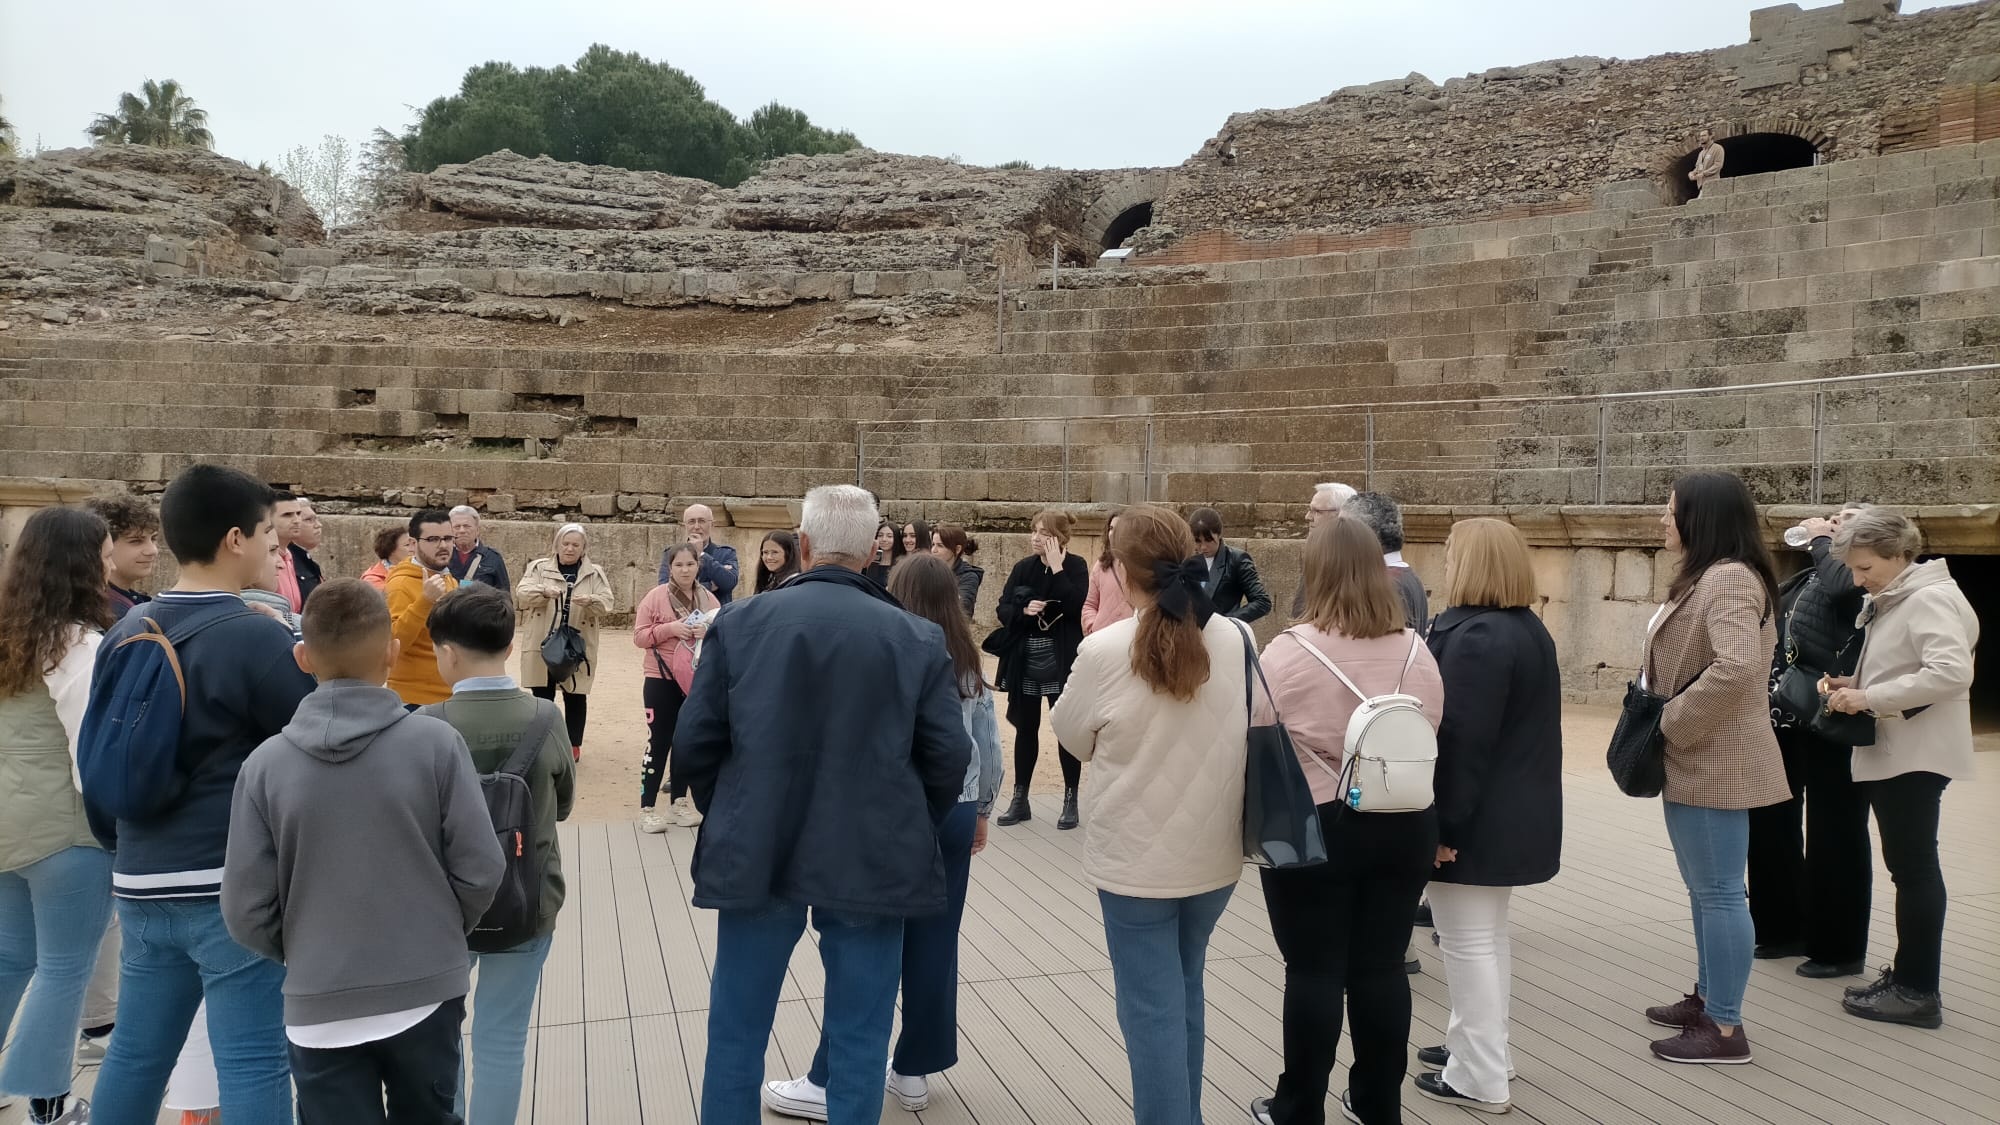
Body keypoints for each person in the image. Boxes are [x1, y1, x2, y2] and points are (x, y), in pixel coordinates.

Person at [673, 484, 967, 1125]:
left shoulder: (741, 624)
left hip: (759, 842)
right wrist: (907, 815)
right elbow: (949, 756)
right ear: (871, 552)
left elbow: (695, 741)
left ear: (802, 546)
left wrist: (731, 806)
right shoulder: (916, 638)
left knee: (737, 1028)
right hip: (871, 849)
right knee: (860, 1036)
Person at [81, 464, 317, 1125]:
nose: (276, 549)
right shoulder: (254, 636)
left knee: (135, 1053)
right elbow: (313, 748)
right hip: (226, 885)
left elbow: (94, 757)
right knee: (252, 1059)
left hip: (140, 878)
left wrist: (123, 847)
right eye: (270, 534)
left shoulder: (126, 630)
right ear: (235, 538)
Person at [221, 578, 504, 1125]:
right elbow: (481, 868)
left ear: (302, 657)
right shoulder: (436, 744)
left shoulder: (264, 766)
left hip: (319, 1001)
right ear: (393, 652)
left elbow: (244, 909)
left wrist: (306, 948)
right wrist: (439, 931)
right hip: (426, 986)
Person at [763, 554, 1004, 1120]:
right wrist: (982, 810)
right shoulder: (966, 664)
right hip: (959, 810)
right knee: (938, 943)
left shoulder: (892, 648)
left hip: (901, 810)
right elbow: (987, 747)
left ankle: (830, 1075)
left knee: (868, 947)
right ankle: (914, 1069)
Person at [1049, 505, 1250, 1125]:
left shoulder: (1104, 649)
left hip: (1136, 859)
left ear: (1124, 573)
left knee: (1151, 1007)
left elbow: (1072, 735)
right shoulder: (1237, 636)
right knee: (1185, 990)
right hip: (1214, 851)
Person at [1244, 514, 1444, 1125]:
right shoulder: (1417, 648)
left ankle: (1300, 1104)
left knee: (1313, 970)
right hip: (1405, 820)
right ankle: (1379, 1101)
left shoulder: (1288, 651)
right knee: (1382, 966)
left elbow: (1255, 731)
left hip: (1320, 821)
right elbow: (1432, 724)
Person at [1638, 471, 1788, 1065]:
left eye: (1671, 511)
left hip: (1714, 755)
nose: (1663, 520)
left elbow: (1736, 669)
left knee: (1721, 893)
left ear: (1700, 518)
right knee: (1709, 892)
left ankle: (1724, 1028)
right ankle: (1710, 998)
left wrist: (1667, 724)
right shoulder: (1716, 575)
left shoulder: (1726, 579)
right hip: (1702, 755)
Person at [1413, 518, 1562, 1114]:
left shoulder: (1476, 638)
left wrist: (1441, 828)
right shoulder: (1525, 629)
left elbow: (1461, 744)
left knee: (1468, 943)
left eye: (1451, 553)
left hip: (1476, 819)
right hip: (1512, 813)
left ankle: (1479, 1075)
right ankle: (1481, 1050)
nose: (1445, 562)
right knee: (1485, 941)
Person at [422, 583, 576, 1120]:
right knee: (503, 1039)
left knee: (444, 1036)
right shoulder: (544, 718)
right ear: (510, 647)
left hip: (446, 910)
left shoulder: (428, 724)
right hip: (527, 900)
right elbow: (562, 805)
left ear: (445, 650)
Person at [1822, 510, 1979, 1029]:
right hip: (1906, 749)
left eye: (1864, 567)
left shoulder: (1927, 597)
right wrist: (1857, 682)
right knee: (1910, 870)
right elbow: (1914, 664)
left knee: (1913, 872)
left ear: (1896, 554)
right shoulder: (1912, 593)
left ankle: (1917, 991)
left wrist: (1870, 696)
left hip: (1914, 754)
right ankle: (1910, 977)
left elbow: (1952, 672)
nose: (1857, 578)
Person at [0, 506, 117, 1125]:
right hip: (66, 833)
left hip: (8, 823)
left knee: (10, 959)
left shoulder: (9, 638)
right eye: (101, 553)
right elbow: (89, 753)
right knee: (64, 968)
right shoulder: (79, 645)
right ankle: (48, 1100)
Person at [1752, 505, 1873, 977]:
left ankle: (1838, 948)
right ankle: (1782, 929)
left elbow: (1846, 588)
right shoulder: (1812, 575)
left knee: (1834, 830)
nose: (1834, 521)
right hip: (1786, 715)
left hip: (1835, 718)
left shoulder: (1856, 577)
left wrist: (1825, 541)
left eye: (1849, 519)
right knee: (1771, 822)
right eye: (1834, 516)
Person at [991, 510, 1091, 831]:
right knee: (1025, 727)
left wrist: (1058, 568)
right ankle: (1020, 798)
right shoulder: (1023, 568)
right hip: (1027, 657)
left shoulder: (1076, 566)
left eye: (1042, 532)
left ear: (1059, 538)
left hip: (1062, 658)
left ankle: (1070, 798)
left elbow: (1076, 606)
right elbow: (1002, 608)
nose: (1035, 537)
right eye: (1033, 530)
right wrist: (1023, 609)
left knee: (1064, 728)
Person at [634, 545, 720, 833]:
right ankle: (647, 807)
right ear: (670, 568)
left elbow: (721, 635)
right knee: (659, 741)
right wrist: (671, 629)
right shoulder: (655, 597)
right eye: (679, 565)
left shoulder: (708, 599)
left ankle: (679, 802)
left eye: (690, 564)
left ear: (699, 566)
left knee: (685, 741)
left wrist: (706, 632)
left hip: (694, 678)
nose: (685, 570)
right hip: (660, 678)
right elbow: (639, 637)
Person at [517, 523, 615, 759]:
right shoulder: (539, 568)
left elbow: (607, 603)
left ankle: (573, 746)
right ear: (557, 545)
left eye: (575, 545)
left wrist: (591, 600)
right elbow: (522, 592)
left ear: (583, 549)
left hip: (575, 643)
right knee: (542, 693)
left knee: (575, 693)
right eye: (566, 543)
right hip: (544, 639)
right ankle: (543, 742)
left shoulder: (594, 572)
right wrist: (543, 591)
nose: (570, 549)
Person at [386, 509, 462, 708]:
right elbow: (395, 642)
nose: (443, 545)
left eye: (447, 538)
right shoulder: (401, 584)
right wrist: (424, 601)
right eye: (433, 539)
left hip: (448, 695)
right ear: (413, 544)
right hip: (415, 700)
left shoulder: (447, 577)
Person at [1345, 492, 1428, 630]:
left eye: (1343, 528)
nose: (1336, 535)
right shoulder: (1407, 576)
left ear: (1366, 533)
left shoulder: (1383, 583)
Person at [1189, 507, 1272, 623]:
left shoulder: (1237, 560)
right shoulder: (1186, 559)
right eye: (1198, 541)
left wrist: (1227, 622)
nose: (1203, 547)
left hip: (1221, 634)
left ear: (1219, 535)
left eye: (1208, 540)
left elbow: (1262, 602)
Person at [85, 494, 161, 615]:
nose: (153, 550)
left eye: (153, 538)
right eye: (136, 541)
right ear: (105, 544)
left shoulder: (131, 601)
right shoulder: (101, 612)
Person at [1290, 482, 1357, 619]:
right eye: (1310, 510)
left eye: (1317, 511)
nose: (1308, 517)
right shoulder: (1320, 553)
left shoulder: (1355, 559)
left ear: (1342, 514)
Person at [658, 503, 740, 605]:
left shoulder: (726, 553)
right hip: (682, 617)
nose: (696, 527)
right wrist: (709, 586)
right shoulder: (671, 553)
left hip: (716, 617)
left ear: (712, 525)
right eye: (691, 522)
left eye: (702, 521)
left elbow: (729, 582)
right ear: (685, 526)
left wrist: (701, 554)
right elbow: (666, 589)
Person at [1083, 511, 1132, 635]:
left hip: (1131, 637)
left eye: (1120, 529)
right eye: (1111, 528)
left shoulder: (1143, 565)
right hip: (1102, 636)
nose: (1113, 533)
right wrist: (1092, 626)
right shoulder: (1101, 565)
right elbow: (1089, 604)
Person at [448, 505, 511, 592]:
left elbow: (505, 595)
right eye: (457, 527)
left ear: (477, 530)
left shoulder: (493, 557)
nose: (462, 530)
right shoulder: (442, 556)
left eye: (467, 526)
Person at [929, 524, 984, 617]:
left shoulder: (968, 576)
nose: (934, 550)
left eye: (940, 546)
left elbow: (962, 608)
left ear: (957, 549)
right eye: (933, 544)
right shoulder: (928, 570)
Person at [269, 490, 310, 614]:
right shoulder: (261, 556)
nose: (297, 520)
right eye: (287, 515)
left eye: (298, 513)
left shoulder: (291, 554)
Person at [290, 497, 325, 604]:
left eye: (316, 519)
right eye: (309, 520)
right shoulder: (285, 562)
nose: (318, 525)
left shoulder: (305, 560)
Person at [361, 525, 415, 590]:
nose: (414, 549)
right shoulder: (373, 579)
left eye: (414, 543)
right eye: (407, 545)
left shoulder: (421, 569)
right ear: (391, 549)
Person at [755, 530, 802, 595]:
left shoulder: (795, 583)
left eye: (775, 552)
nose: (769, 557)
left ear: (788, 553)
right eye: (765, 552)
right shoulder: (769, 580)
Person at [1690, 127, 1726, 194]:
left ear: (1711, 136)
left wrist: (1703, 174)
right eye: (1700, 136)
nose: (1701, 138)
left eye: (1704, 135)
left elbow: (1718, 165)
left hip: (1713, 184)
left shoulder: (1718, 148)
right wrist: (1692, 173)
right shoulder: (1701, 153)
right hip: (1701, 186)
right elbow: (1698, 168)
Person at [863, 522, 897, 586]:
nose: (884, 539)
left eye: (889, 536)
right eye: (880, 535)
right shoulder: (869, 560)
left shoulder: (900, 563)